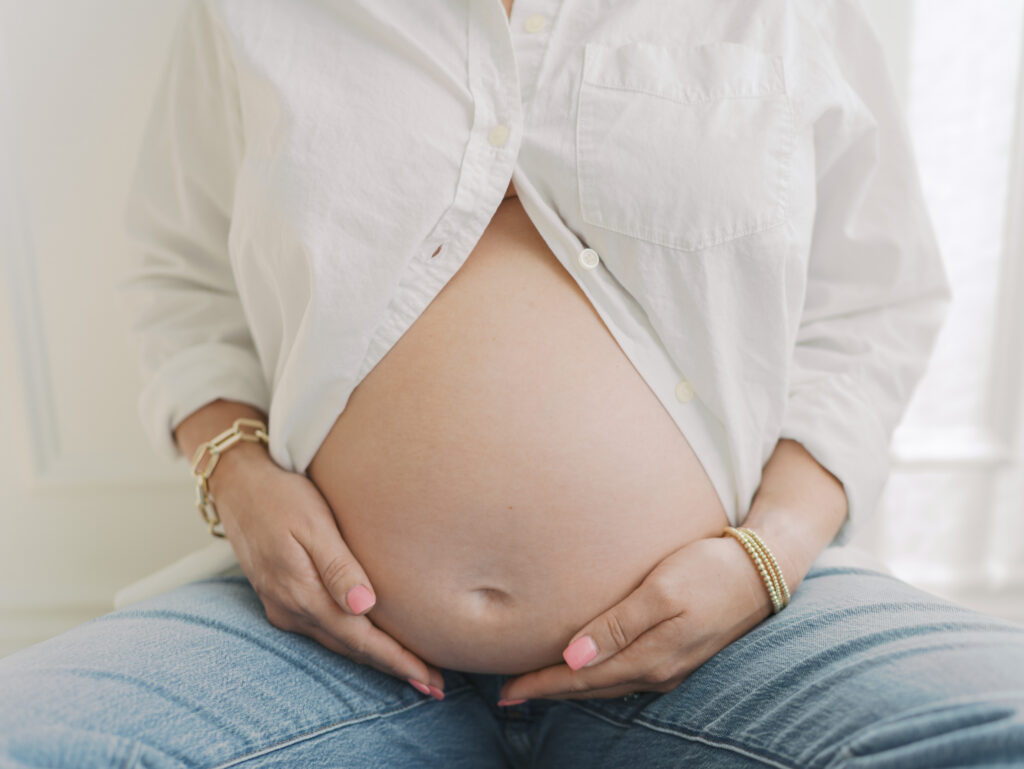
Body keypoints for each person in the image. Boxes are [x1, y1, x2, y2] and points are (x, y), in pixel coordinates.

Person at [2, 0, 1023, 765]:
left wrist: (770, 554)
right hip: (324, 645)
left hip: (736, 637)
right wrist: (238, 475)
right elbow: (179, 276)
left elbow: (871, 304)